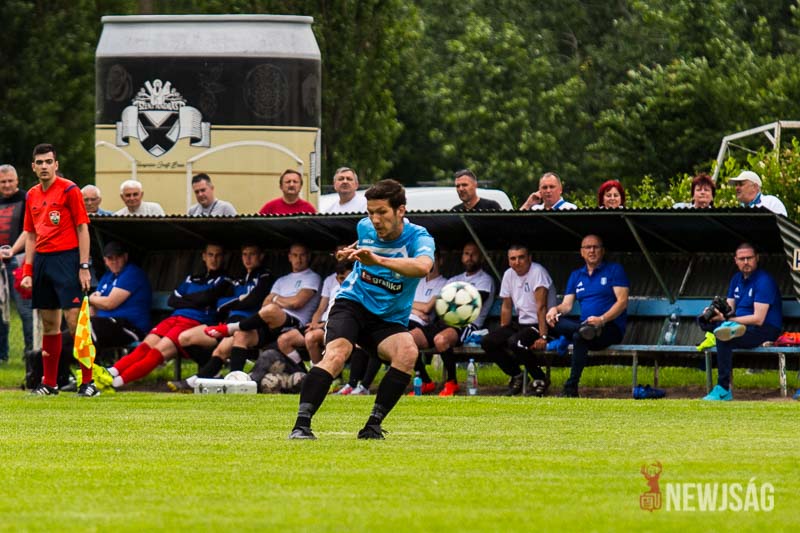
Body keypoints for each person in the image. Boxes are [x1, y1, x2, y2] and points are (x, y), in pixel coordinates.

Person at [287, 179, 434, 440]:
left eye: (382, 212)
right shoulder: (365, 226)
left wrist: (377, 260)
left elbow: (422, 267)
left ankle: (372, 426)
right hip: (352, 304)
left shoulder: (419, 237)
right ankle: (301, 426)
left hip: (388, 317)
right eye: (371, 212)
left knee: (407, 352)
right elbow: (365, 240)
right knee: (336, 355)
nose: (375, 220)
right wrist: (349, 251)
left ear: (400, 210)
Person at [92, 243, 231, 389]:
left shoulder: (225, 280)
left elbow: (207, 298)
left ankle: (115, 383)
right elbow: (173, 300)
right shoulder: (192, 278)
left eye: (218, 255)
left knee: (156, 353)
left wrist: (188, 299)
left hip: (193, 322)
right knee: (144, 348)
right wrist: (197, 300)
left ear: (224, 257)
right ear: (204, 256)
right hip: (174, 318)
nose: (214, 259)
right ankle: (110, 373)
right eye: (210, 255)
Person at [19, 144, 95, 395]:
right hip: (42, 261)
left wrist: (84, 266)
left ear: (56, 164)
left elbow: (83, 228)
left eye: (48, 161)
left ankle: (88, 382)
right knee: (49, 323)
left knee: (75, 321)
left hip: (67, 259)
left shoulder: (70, 190)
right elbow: (30, 235)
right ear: (33, 167)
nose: (44, 166)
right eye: (40, 162)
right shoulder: (31, 195)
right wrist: (28, 271)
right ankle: (50, 383)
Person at [167, 243, 272, 392]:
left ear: (261, 256)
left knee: (226, 346)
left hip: (251, 325)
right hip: (226, 325)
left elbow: (254, 300)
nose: (248, 258)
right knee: (184, 337)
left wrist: (236, 302)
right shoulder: (237, 279)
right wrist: (240, 299)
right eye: (245, 254)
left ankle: (201, 382)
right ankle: (214, 375)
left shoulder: (265, 277)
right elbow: (219, 304)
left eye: (252, 254)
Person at [203, 243, 320, 372]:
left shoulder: (312, 277)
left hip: (294, 323)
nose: (299, 259)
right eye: (295, 255)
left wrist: (276, 299)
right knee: (241, 335)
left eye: (302, 255)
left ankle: (230, 328)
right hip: (271, 324)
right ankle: (235, 377)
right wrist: (281, 301)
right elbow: (265, 303)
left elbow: (297, 302)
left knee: (272, 310)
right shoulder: (281, 280)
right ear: (289, 257)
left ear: (308, 256)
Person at [546, 234, 630, 397]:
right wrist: (554, 309)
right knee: (554, 321)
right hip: (585, 326)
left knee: (579, 337)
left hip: (609, 327)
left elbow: (622, 302)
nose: (592, 251)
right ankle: (584, 329)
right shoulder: (576, 275)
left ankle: (571, 387)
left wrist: (601, 320)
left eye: (595, 247)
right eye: (588, 247)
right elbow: (567, 306)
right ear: (582, 252)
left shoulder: (614, 270)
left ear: (602, 251)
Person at [699, 243, 782, 401]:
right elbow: (730, 309)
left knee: (724, 336)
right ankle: (723, 330)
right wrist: (717, 313)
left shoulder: (764, 281)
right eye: (742, 259)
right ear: (735, 260)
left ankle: (723, 389)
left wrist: (727, 319)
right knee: (706, 321)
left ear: (757, 258)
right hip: (740, 326)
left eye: (749, 258)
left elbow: (758, 319)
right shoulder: (736, 279)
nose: (746, 262)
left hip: (765, 329)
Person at [412, 243, 496, 396]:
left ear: (481, 258)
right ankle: (425, 381)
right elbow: (440, 304)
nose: (469, 257)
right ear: (462, 257)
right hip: (443, 323)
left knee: (441, 340)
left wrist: (451, 301)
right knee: (408, 339)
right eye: (466, 253)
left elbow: (470, 304)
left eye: (474, 254)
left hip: (467, 325)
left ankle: (452, 382)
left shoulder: (485, 280)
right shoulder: (454, 280)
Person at [479, 244, 556, 396]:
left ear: (529, 258)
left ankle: (540, 379)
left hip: (541, 324)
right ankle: (517, 375)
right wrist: (503, 332)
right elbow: (506, 307)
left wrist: (543, 336)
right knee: (488, 341)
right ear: (509, 261)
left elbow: (541, 307)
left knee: (515, 342)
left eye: (521, 257)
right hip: (521, 324)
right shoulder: (509, 274)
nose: (517, 262)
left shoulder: (538, 272)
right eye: (513, 259)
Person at [0, 164, 33, 361]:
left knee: (25, 310)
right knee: (0, 312)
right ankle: (1, 355)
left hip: (20, 261)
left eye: (10, 181)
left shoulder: (27, 199)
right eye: (2, 182)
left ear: (17, 180)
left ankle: (30, 353)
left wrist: (12, 251)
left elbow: (30, 230)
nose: (6, 185)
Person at [405, 251, 448, 394]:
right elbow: (401, 302)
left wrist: (413, 308)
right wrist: (416, 310)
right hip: (405, 319)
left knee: (405, 339)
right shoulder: (416, 281)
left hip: (422, 326)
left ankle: (424, 380)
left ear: (440, 261)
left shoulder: (444, 283)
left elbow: (427, 308)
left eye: (433, 259)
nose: (429, 263)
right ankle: (358, 384)